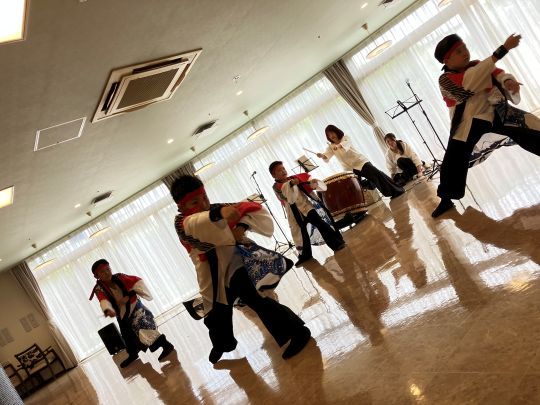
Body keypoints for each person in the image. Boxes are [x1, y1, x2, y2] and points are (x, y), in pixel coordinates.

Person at [170, 175, 311, 364]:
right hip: (210, 274)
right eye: (195, 202)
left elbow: (250, 208)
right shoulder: (181, 223)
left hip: (236, 264)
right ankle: (223, 344)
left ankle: (298, 332)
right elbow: (197, 223)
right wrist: (221, 214)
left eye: (204, 197)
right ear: (181, 207)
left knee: (257, 300)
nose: (203, 204)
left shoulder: (216, 208)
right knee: (215, 315)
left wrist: (242, 226)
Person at [431, 33, 540, 218]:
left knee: (528, 130)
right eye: (458, 51)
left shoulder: (477, 65)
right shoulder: (446, 80)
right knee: (453, 159)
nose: (465, 52)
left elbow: (498, 73)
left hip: (495, 112)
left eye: (464, 48)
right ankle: (446, 198)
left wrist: (508, 81)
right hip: (468, 121)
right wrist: (502, 50)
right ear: (446, 60)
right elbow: (469, 83)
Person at [89, 259, 175, 368]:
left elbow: (136, 282)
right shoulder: (99, 289)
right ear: (97, 276)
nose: (107, 273)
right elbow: (103, 300)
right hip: (121, 313)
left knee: (143, 328)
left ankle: (166, 345)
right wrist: (108, 309)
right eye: (102, 271)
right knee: (126, 335)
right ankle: (133, 354)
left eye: (108, 269)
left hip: (134, 306)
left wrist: (129, 296)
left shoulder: (120, 277)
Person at [269, 161, 346, 266]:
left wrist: (311, 183)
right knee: (301, 233)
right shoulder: (276, 187)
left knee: (320, 223)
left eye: (283, 168)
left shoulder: (293, 178)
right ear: (274, 175)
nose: (283, 171)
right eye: (279, 170)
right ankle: (305, 255)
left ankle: (337, 243)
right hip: (294, 211)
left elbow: (307, 184)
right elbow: (283, 194)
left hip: (306, 206)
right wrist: (291, 183)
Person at [316, 125, 405, 199]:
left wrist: (338, 146)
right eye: (329, 135)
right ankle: (369, 189)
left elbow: (345, 145)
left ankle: (396, 190)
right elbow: (326, 155)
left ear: (336, 131)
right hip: (349, 169)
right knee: (354, 186)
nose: (331, 136)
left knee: (377, 175)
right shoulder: (331, 146)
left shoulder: (345, 138)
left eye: (332, 133)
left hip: (360, 162)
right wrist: (321, 155)